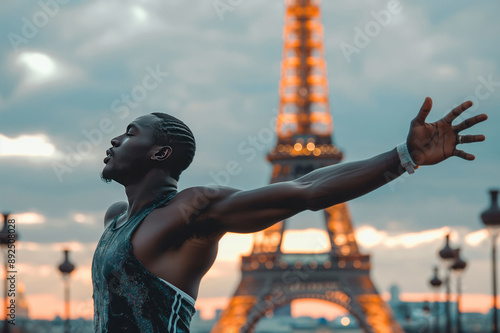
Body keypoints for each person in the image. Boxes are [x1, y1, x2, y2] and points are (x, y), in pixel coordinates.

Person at [91, 97, 487, 332]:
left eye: (130, 133)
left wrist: (405, 157)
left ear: (160, 153)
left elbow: (306, 190)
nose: (115, 139)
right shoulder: (116, 220)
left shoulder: (190, 212)